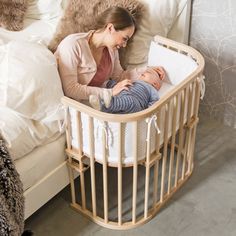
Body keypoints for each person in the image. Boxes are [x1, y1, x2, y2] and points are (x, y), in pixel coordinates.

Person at [55, 6, 165, 109]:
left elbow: (119, 76)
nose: (124, 45)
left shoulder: (112, 50)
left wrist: (147, 70)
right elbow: (70, 89)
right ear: (110, 28)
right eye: (124, 38)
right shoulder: (73, 45)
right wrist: (109, 93)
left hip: (93, 103)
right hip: (72, 105)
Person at [89, 66, 165, 113]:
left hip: (136, 104)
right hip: (122, 95)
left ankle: (105, 104)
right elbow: (121, 84)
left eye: (147, 73)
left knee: (129, 101)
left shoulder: (152, 89)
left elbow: (154, 103)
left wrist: (147, 112)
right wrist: (110, 83)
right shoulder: (135, 81)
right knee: (119, 90)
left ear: (155, 83)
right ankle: (102, 106)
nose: (142, 73)